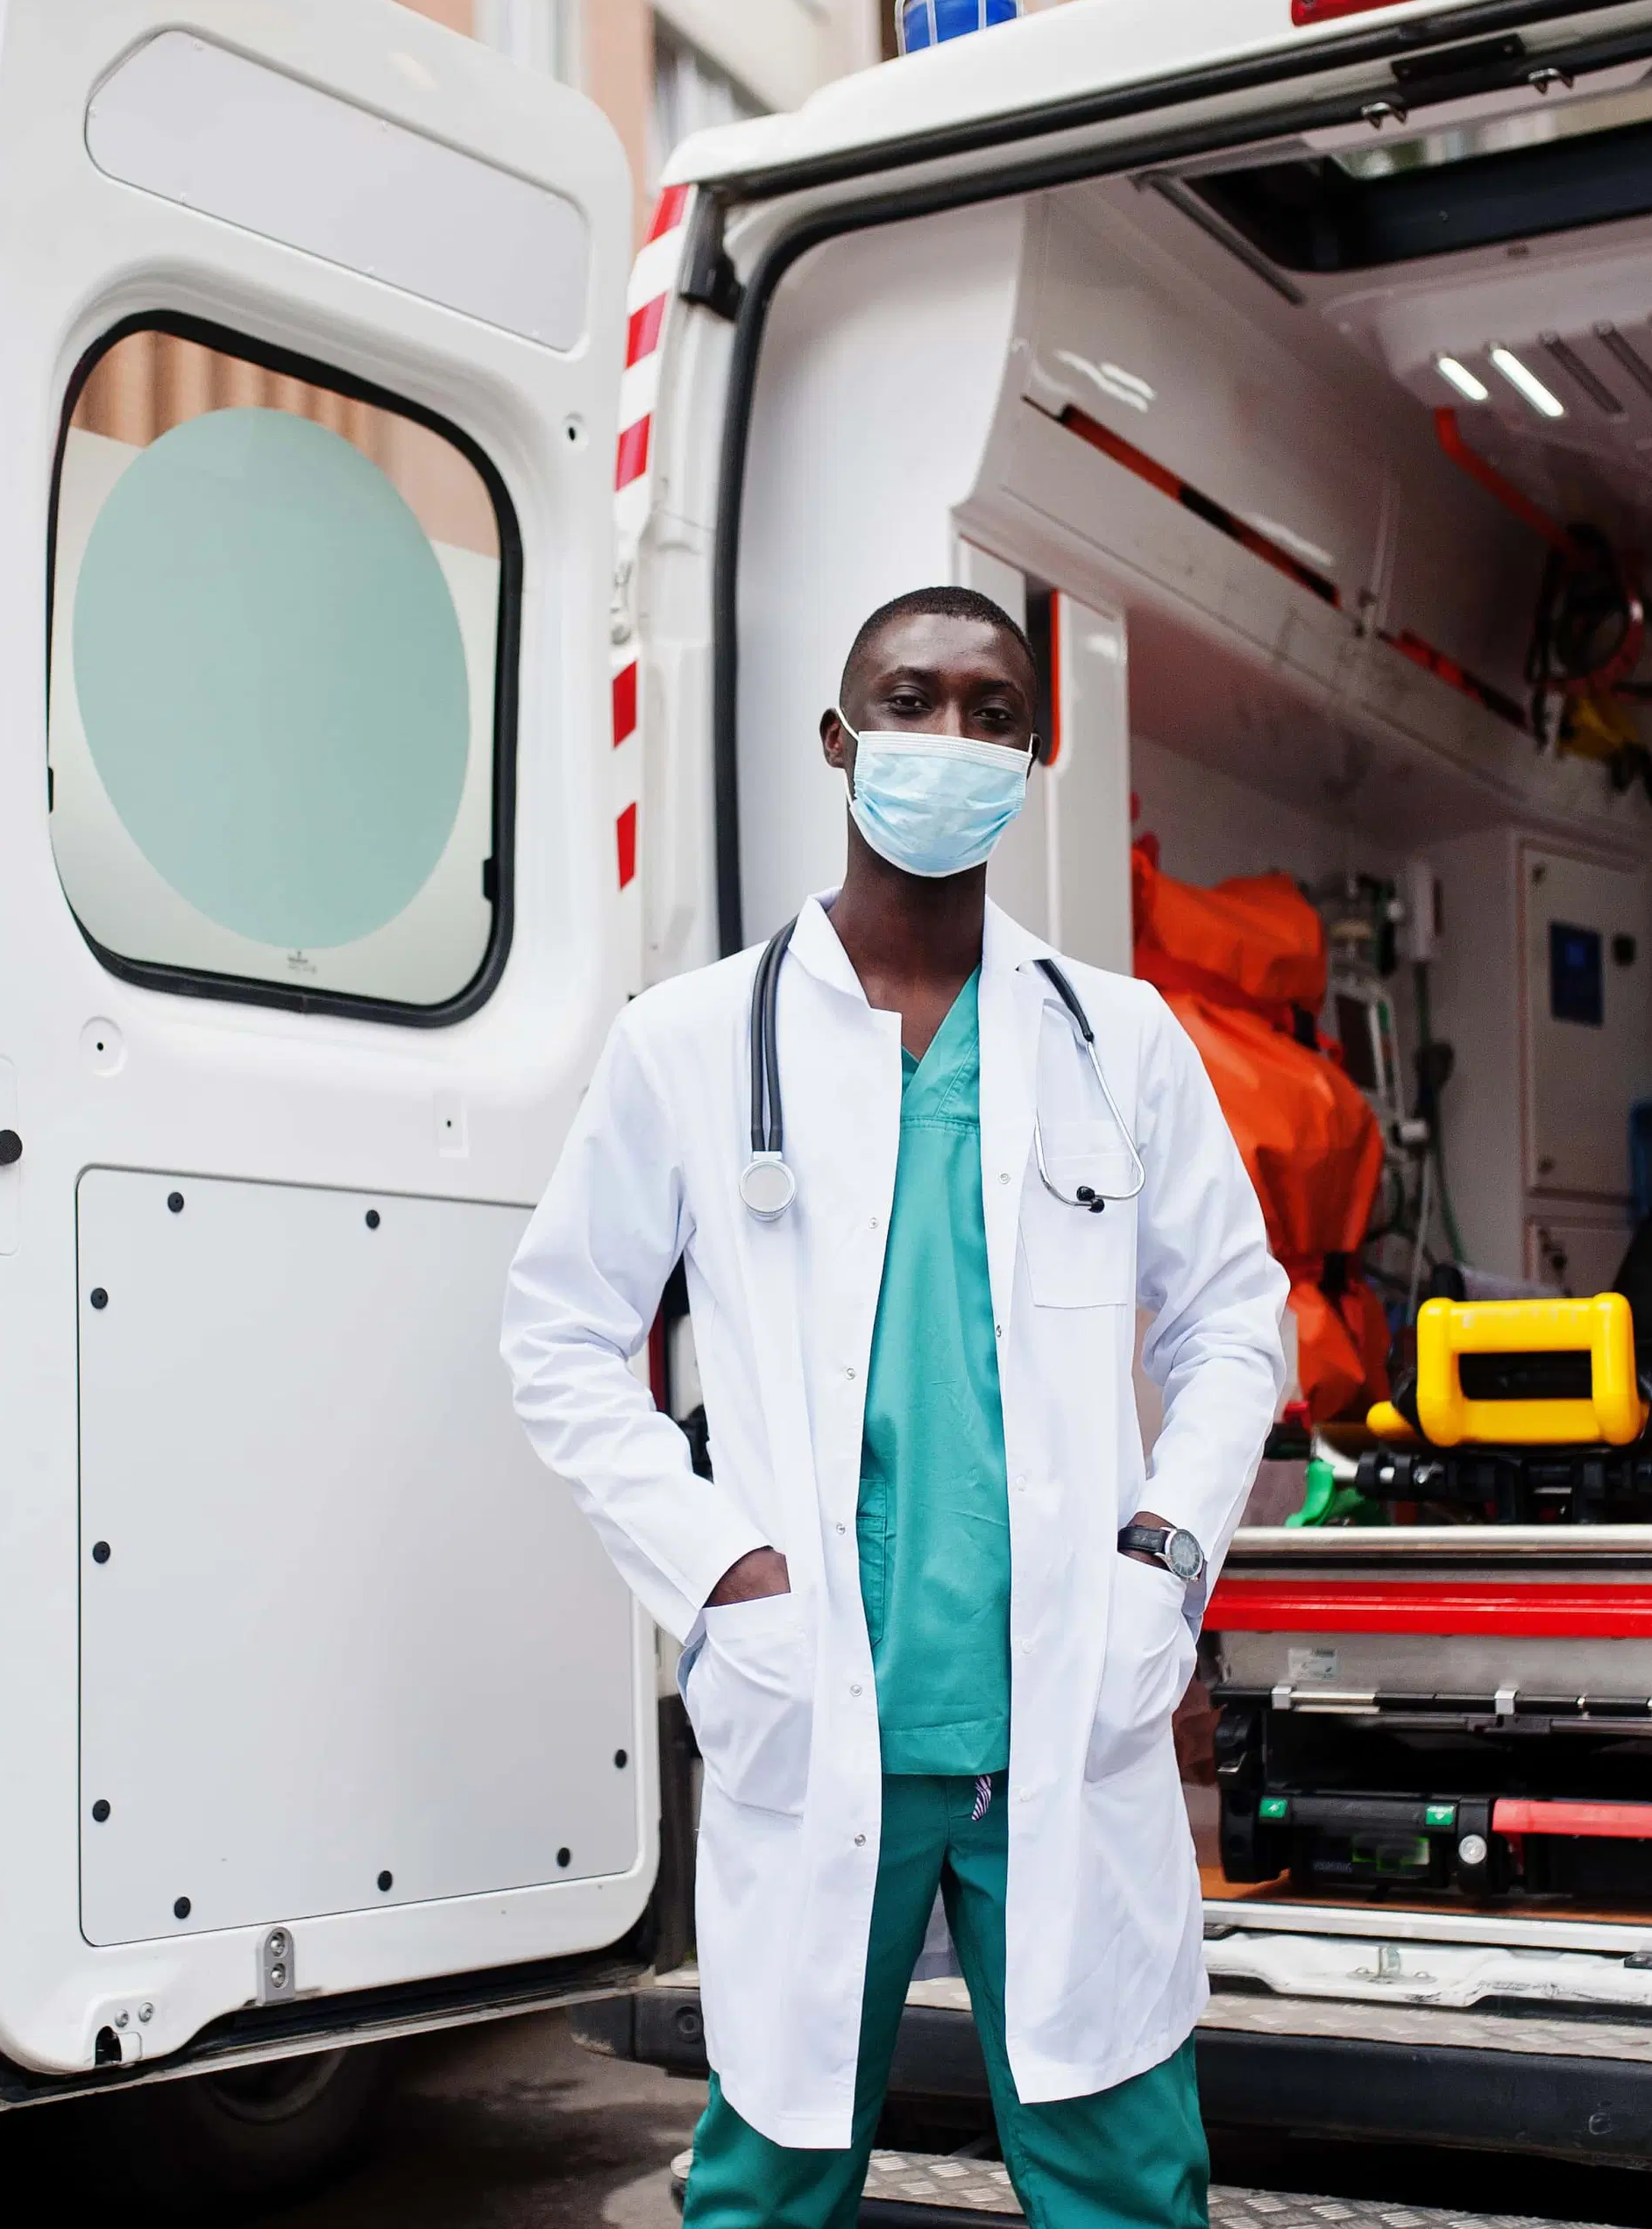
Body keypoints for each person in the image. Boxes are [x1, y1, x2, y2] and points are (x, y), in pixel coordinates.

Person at [502, 586, 1291, 2227]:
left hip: (1063, 1716)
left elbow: (1237, 1319)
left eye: (992, 709)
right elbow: (562, 1333)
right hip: (819, 1707)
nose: (950, 738)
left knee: (1128, 2183)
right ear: (838, 739)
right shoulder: (695, 1042)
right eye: (910, 699)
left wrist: (1169, 1548)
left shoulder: (1117, 1039)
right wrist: (718, 1571)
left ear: (1033, 749)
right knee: (770, 2182)